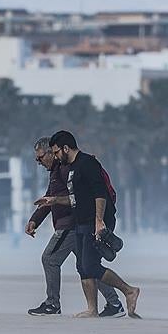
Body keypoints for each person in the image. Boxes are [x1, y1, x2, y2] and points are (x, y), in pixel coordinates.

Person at [48, 129, 141, 318]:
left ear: (66, 148)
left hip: (96, 221)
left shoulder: (87, 163)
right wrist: (55, 201)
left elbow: (100, 193)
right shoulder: (72, 168)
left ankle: (129, 291)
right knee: (82, 266)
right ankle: (92, 309)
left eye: (57, 152)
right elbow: (76, 198)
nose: (56, 156)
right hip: (81, 221)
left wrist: (99, 221)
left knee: (90, 265)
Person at [25, 137, 122, 316]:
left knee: (50, 259)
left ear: (54, 152)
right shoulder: (57, 171)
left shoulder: (66, 170)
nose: (38, 162)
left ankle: (52, 304)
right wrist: (35, 220)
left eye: (40, 157)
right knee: (88, 266)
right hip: (75, 225)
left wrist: (97, 221)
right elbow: (50, 197)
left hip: (70, 225)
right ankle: (115, 304)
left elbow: (77, 198)